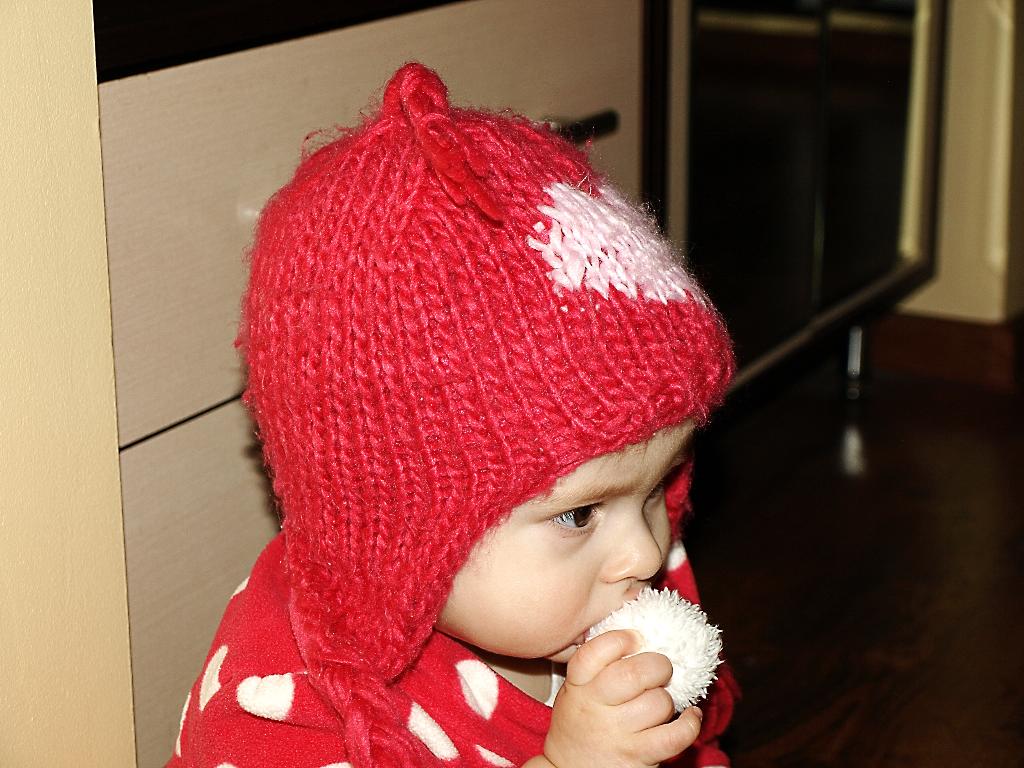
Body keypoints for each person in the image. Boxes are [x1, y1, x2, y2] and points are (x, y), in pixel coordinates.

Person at [169, 62, 739, 768]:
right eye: (578, 515)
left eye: (657, 486)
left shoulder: (614, 568)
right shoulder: (287, 709)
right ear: (405, 539)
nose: (647, 553)